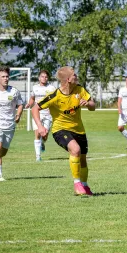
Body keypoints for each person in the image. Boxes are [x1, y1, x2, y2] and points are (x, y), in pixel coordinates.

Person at [33, 66, 96, 196]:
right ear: (68, 79)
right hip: (60, 129)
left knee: (83, 159)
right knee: (76, 150)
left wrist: (88, 104)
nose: (77, 77)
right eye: (74, 75)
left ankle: (85, 185)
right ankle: (77, 183)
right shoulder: (54, 96)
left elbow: (93, 107)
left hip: (79, 130)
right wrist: (40, 126)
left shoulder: (80, 90)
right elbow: (35, 108)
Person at [25, 70, 56, 161]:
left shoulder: (52, 88)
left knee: (45, 135)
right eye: (42, 76)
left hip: (48, 114)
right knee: (37, 133)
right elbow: (32, 99)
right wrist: (29, 104)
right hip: (37, 113)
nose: (44, 78)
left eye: (46, 77)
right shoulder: (35, 88)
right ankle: (38, 156)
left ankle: (42, 142)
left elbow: (55, 101)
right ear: (39, 78)